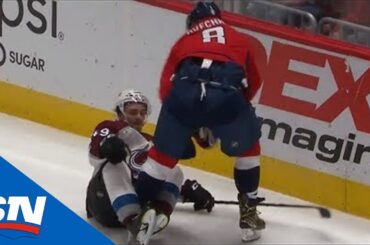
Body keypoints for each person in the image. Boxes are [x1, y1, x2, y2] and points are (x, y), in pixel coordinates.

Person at [134, 1, 265, 243]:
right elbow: (254, 81)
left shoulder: (184, 41)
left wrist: (185, 123)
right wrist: (236, 112)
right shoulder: (238, 38)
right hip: (226, 95)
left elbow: (166, 86)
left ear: (193, 22)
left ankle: (138, 212)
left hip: (183, 93)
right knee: (249, 151)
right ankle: (248, 216)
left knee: (160, 160)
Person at [85, 89, 215, 245]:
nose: (139, 117)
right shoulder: (110, 127)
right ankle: (133, 221)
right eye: (133, 112)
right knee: (114, 164)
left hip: (136, 201)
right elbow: (96, 154)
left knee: (174, 170)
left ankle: (156, 213)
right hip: (103, 204)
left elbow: (151, 176)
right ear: (120, 112)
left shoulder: (150, 142)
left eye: (142, 113)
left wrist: (187, 190)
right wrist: (106, 144)